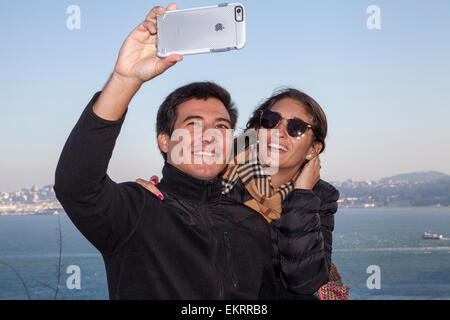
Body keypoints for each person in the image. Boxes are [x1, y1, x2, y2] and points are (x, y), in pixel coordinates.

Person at [54, 4, 276, 300]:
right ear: (164, 141)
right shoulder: (136, 211)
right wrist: (126, 80)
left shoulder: (252, 224)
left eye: (221, 127)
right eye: (193, 125)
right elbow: (76, 185)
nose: (210, 137)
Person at [137, 88, 347, 300]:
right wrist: (152, 191)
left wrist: (301, 196)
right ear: (258, 130)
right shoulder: (217, 171)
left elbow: (304, 281)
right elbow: (179, 189)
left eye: (296, 127)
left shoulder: (319, 197)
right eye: (271, 120)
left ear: (313, 149)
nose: (279, 132)